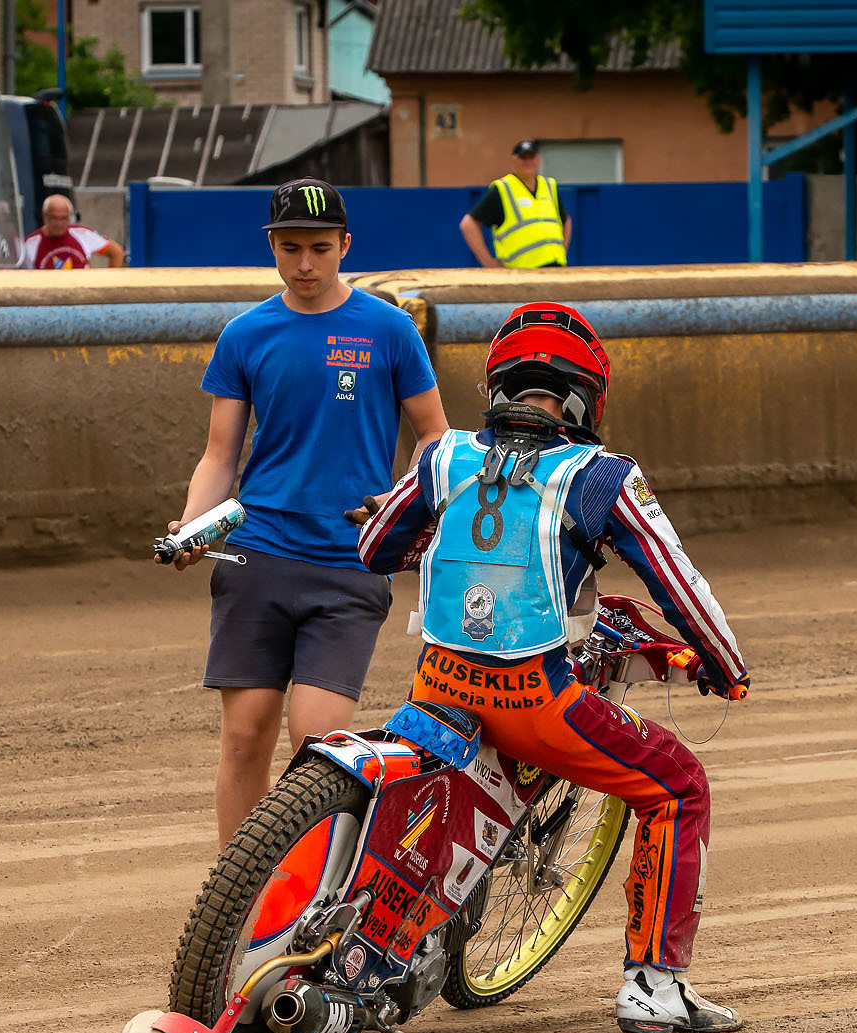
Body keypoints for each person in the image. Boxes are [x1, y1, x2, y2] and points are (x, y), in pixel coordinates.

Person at [355, 303, 752, 1033]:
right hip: (537, 700)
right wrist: (727, 666)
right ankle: (656, 988)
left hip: (436, 685)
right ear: (587, 397)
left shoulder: (441, 456)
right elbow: (678, 584)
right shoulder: (600, 475)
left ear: (498, 383)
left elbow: (376, 549)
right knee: (678, 784)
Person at [167, 179, 451, 847]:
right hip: (255, 554)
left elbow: (436, 437)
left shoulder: (390, 329)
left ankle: (309, 896)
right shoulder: (245, 336)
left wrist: (404, 500)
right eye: (289, 247)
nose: (304, 263)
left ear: (345, 246)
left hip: (350, 562)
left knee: (318, 747)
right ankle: (243, 909)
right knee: (244, 738)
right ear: (270, 245)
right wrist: (190, 524)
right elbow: (219, 455)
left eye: (320, 248)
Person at [459, 139, 570, 269]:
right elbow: (468, 224)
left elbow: (566, 221)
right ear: (514, 160)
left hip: (556, 269)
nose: (528, 161)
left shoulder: (549, 186)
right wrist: (489, 263)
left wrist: (561, 251)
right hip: (521, 273)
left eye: (531, 157)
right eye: (523, 157)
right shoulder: (503, 189)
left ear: (538, 159)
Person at [17, 194, 123, 269]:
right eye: (54, 218)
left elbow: (117, 252)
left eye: (63, 218)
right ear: (44, 216)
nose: (59, 224)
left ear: (70, 217)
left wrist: (109, 285)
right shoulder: (31, 244)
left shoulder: (82, 234)